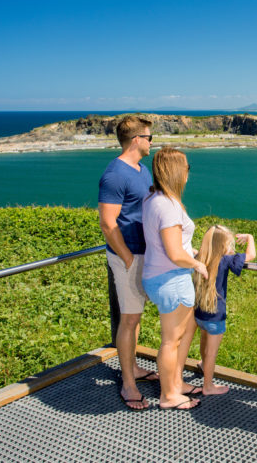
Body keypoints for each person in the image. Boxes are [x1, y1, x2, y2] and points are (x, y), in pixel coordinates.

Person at [141, 147, 208, 410]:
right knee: (171, 339)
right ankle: (169, 394)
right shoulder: (168, 205)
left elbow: (167, 243)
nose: (188, 172)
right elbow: (173, 252)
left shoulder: (153, 199)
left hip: (158, 275)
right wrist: (197, 263)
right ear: (176, 171)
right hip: (172, 278)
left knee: (184, 331)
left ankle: (176, 383)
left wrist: (186, 249)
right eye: (187, 167)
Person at [98, 115, 157, 410]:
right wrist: (128, 258)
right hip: (128, 256)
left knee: (135, 318)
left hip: (142, 254)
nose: (151, 143)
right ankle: (128, 384)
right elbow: (108, 224)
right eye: (149, 138)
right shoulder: (115, 175)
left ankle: (132, 368)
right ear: (136, 140)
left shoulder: (141, 170)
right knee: (129, 319)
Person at [193, 225, 256, 395]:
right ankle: (208, 386)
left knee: (204, 342)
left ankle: (203, 363)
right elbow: (251, 255)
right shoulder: (226, 260)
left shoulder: (199, 257)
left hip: (199, 313)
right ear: (222, 246)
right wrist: (250, 237)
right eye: (228, 244)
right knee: (212, 352)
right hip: (216, 315)